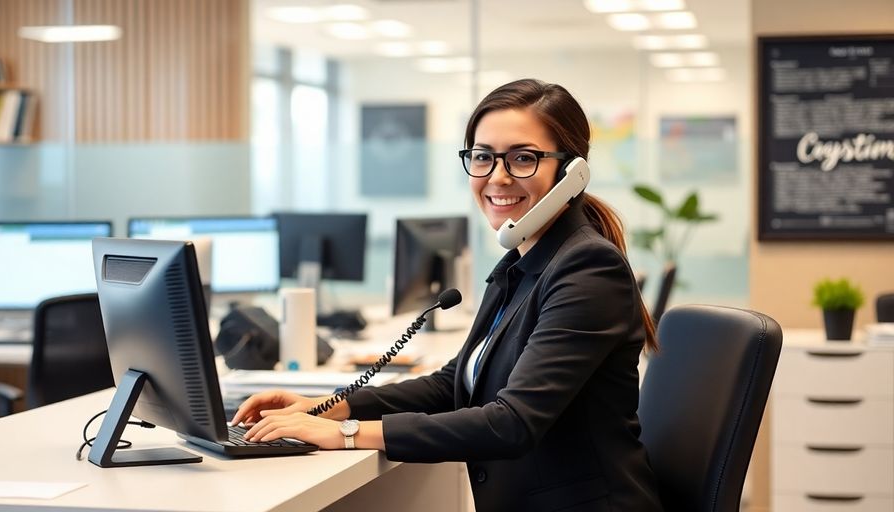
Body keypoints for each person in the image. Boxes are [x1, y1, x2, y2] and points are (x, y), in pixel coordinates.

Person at [233, 78, 664, 511]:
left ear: (571, 172)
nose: (497, 177)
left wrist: (346, 435)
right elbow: (451, 384)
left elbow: (512, 423)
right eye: (483, 157)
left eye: (523, 158)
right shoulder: (523, 263)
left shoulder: (588, 268)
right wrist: (330, 407)